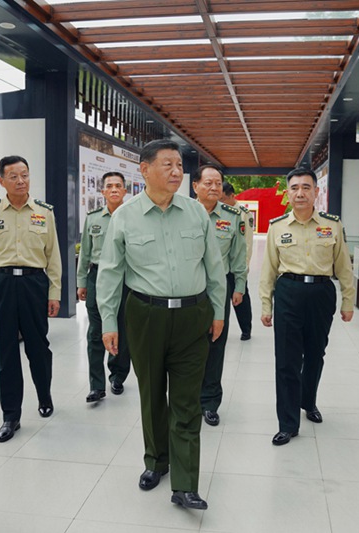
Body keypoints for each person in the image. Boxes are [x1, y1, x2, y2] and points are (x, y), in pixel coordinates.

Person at [96, 139, 226, 510]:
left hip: (192, 314)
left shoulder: (196, 212)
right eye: (167, 164)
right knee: (152, 394)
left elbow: (213, 267)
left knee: (186, 399)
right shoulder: (125, 215)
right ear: (145, 170)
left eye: (179, 166)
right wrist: (109, 321)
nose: (176, 172)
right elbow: (109, 273)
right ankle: (157, 461)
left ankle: (185, 483)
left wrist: (217, 311)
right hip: (145, 314)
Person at [259, 168, 355, 446]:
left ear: (316, 191)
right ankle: (287, 423)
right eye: (295, 188)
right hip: (288, 291)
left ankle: (308, 401)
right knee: (287, 360)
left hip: (322, 293)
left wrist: (348, 300)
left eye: (306, 187)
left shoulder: (332, 225)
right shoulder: (277, 227)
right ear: (287, 193)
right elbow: (268, 270)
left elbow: (344, 267)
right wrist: (266, 304)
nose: (300, 193)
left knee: (315, 354)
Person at [0, 155, 62, 443]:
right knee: (6, 353)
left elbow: (54, 256)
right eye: (14, 176)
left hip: (35, 283)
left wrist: (54, 291)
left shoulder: (44, 211)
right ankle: (11, 415)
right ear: (2, 181)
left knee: (39, 347)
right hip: (1, 284)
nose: (21, 180)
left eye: (25, 174)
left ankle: (44, 394)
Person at [192, 166, 246, 427]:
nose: (214, 188)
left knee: (216, 342)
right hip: (186, 288)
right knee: (188, 345)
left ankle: (210, 401)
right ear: (195, 186)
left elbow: (238, 254)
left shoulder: (233, 216)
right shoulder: (181, 212)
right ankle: (187, 398)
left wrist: (240, 286)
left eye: (218, 183)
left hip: (218, 288)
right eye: (208, 183)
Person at [77, 171, 132, 402]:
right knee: (95, 334)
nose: (114, 190)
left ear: (125, 191)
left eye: (118, 186)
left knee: (122, 329)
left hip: (125, 279)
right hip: (97, 277)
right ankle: (96, 385)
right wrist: (81, 282)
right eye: (109, 186)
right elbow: (85, 253)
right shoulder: (93, 218)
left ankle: (117, 376)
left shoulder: (132, 216)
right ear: (102, 191)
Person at [221, 181, 254, 340]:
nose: (219, 202)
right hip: (221, 266)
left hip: (236, 265)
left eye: (222, 199)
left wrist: (244, 266)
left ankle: (246, 329)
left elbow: (247, 242)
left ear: (232, 196)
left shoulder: (243, 213)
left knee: (241, 298)